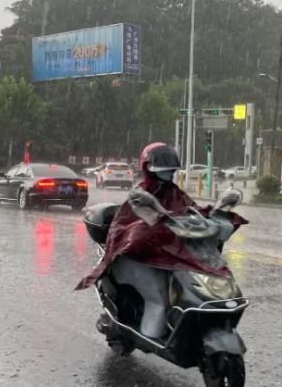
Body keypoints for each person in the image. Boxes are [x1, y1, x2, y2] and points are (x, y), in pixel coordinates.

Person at [76, 142, 246, 338]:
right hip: (139, 254)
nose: (168, 173)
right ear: (147, 167)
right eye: (164, 169)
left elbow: (193, 211)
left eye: (171, 170)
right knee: (158, 297)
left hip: (168, 252)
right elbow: (140, 222)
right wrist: (158, 223)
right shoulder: (140, 194)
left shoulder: (175, 192)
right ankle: (150, 335)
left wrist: (215, 214)